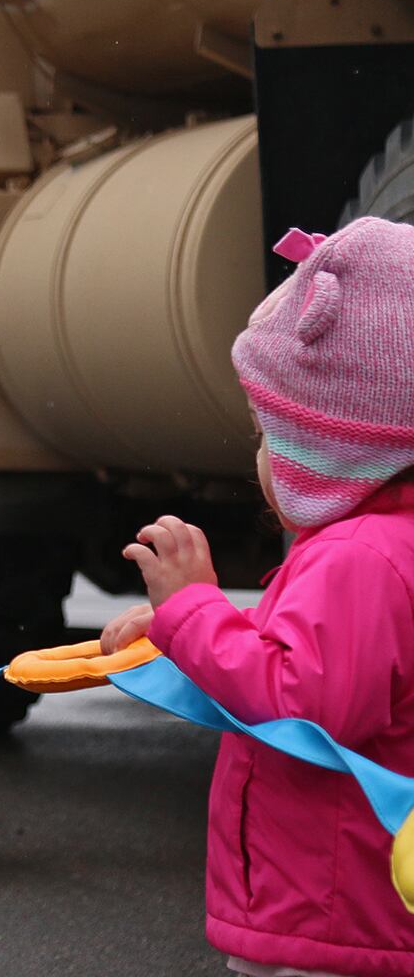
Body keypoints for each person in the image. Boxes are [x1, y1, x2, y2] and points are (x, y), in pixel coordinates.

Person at [101, 218, 414, 977]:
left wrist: (195, 604)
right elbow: (327, 657)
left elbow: (302, 701)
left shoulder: (356, 559)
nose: (260, 456)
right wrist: (182, 629)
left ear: (330, 447)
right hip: (350, 906)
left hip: (335, 922)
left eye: (270, 433)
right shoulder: (385, 545)